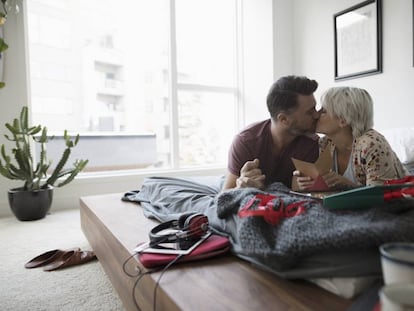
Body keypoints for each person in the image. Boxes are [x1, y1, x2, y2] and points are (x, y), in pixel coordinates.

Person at [294, 86, 408, 191]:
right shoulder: (325, 143)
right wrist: (305, 182)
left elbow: (381, 197)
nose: (316, 115)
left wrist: (348, 185)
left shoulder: (372, 145)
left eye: (324, 111)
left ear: (343, 120)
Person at [221, 75, 321, 191]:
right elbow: (226, 195)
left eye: (315, 108)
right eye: (309, 112)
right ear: (283, 119)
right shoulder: (246, 142)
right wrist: (240, 187)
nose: (316, 115)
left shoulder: (312, 144)